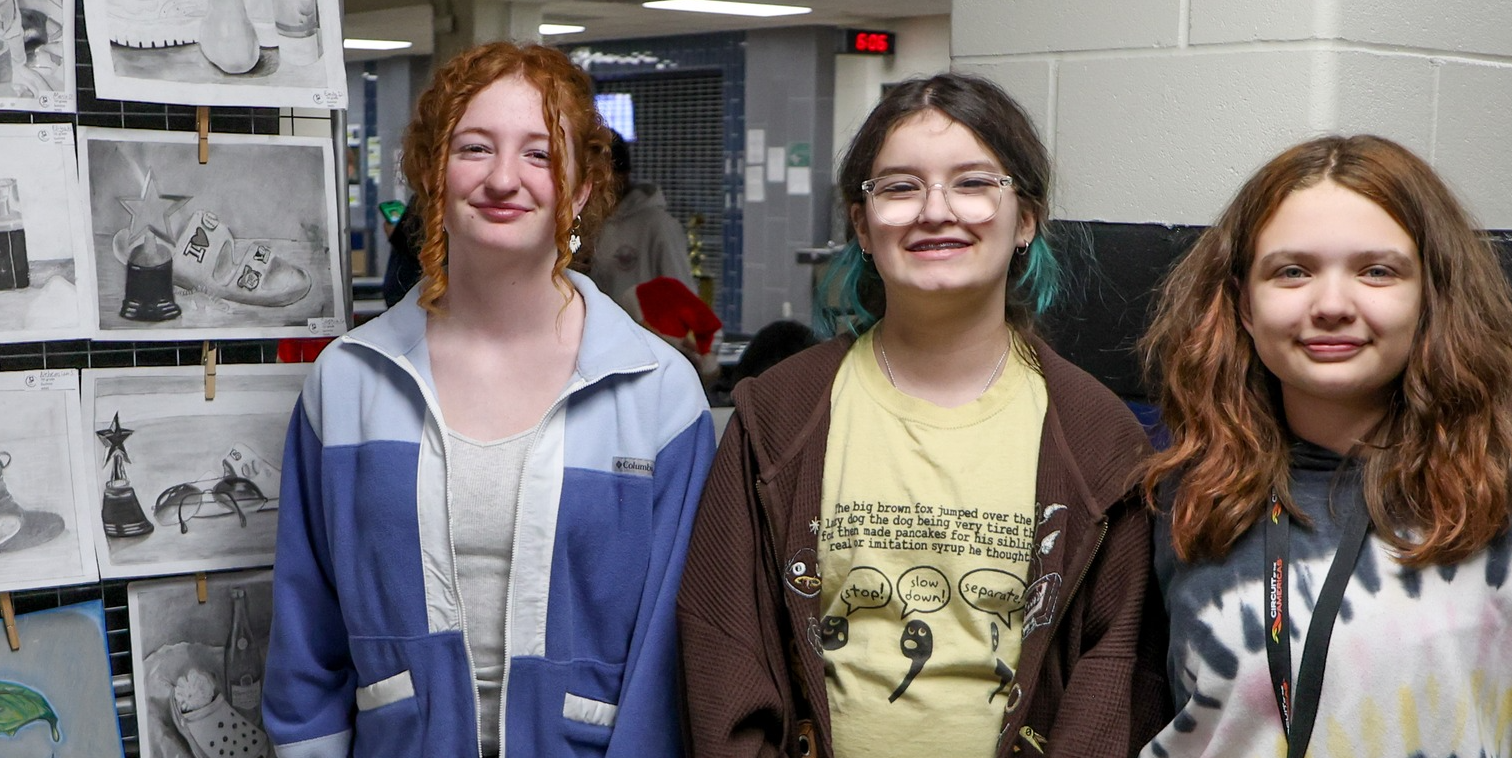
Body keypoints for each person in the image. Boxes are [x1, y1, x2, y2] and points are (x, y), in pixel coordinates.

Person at [679, 73, 1172, 757]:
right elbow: (724, 649)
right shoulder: (780, 416)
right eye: (901, 187)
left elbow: (1114, 677)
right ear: (862, 221)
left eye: (973, 183)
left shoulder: (1097, 438)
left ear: (1025, 217)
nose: (935, 211)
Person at [263, 41, 715, 758]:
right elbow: (305, 636)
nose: (505, 178)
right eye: (474, 148)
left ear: (581, 189)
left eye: (540, 154)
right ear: (431, 174)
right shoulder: (349, 380)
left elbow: (672, 651)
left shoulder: (657, 393)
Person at [1137, 135, 1512, 758]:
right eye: (1292, 271)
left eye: (1377, 271)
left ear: (1431, 298)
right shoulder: (1189, 500)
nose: (1332, 305)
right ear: (1244, 306)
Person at [588, 134, 695, 319]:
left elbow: (684, 298)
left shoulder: (657, 224)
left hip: (645, 342)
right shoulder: (587, 224)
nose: (593, 185)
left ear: (622, 175)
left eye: (600, 175)